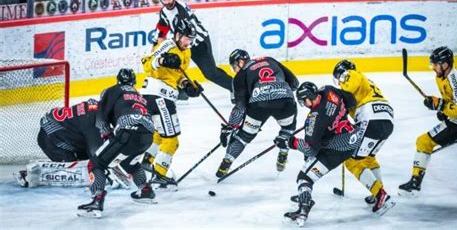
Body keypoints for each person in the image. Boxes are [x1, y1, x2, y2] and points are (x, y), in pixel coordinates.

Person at [277, 82, 394, 226]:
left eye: (303, 101)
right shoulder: (328, 90)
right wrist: (335, 117)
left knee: (304, 177)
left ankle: (303, 209)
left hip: (336, 150)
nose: (304, 104)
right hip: (352, 137)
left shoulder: (314, 119)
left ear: (308, 98)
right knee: (353, 163)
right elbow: (351, 100)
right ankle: (379, 193)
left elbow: (310, 149)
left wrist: (290, 142)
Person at [77, 68, 155, 218]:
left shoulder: (112, 90)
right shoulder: (139, 96)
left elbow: (101, 116)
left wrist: (106, 135)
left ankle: (97, 201)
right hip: (148, 135)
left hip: (128, 131)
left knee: (96, 163)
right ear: (133, 82)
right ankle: (145, 190)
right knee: (129, 162)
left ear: (118, 80)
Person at [399, 46, 457, 196]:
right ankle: (415, 183)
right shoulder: (440, 77)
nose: (433, 67)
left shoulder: (455, 78)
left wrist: (440, 105)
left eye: (435, 64)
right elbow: (451, 102)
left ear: (445, 64)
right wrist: (442, 110)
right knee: (423, 142)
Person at [140, 17, 203, 190]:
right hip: (158, 95)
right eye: (186, 38)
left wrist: (188, 86)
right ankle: (159, 174)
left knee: (160, 135)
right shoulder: (168, 45)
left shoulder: (186, 52)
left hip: (163, 96)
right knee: (172, 140)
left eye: (191, 40)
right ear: (177, 35)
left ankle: (147, 161)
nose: (188, 42)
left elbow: (178, 76)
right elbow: (146, 63)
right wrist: (163, 60)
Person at [216, 49, 299, 178]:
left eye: (234, 66)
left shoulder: (240, 76)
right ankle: (283, 151)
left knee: (244, 136)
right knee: (288, 127)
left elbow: (240, 107)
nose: (234, 70)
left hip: (259, 104)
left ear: (241, 61)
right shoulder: (270, 60)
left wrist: (230, 127)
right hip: (285, 102)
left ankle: (226, 163)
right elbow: (294, 83)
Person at [332, 59, 394, 205]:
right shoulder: (366, 81)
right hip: (386, 118)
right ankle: (378, 192)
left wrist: (337, 104)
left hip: (371, 118)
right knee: (368, 157)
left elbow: (347, 92)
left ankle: (379, 194)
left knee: (351, 160)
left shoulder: (351, 74)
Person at [14, 99, 105, 188]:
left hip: (59, 133)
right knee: (74, 172)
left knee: (86, 160)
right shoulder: (95, 120)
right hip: (51, 139)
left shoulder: (95, 107)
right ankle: (28, 175)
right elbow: (96, 152)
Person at [152, 0, 233, 93]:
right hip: (184, 44)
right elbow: (162, 27)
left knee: (210, 73)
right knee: (169, 64)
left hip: (198, 43)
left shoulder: (181, 7)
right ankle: (179, 92)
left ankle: (236, 89)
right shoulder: (163, 12)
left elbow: (186, 30)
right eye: (164, 0)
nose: (167, 2)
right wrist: (157, 45)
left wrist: (169, 45)